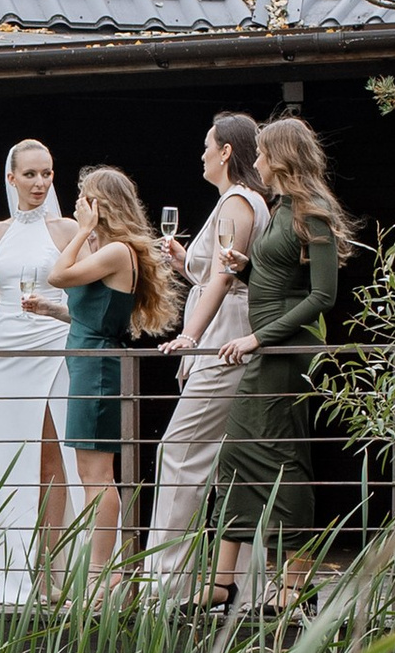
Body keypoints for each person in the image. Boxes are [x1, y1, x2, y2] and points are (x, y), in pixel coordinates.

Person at [213, 114, 354, 608]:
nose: (256, 161)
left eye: (262, 153)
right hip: (267, 345)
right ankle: (221, 584)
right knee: (236, 457)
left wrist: (256, 339)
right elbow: (277, 280)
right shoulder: (283, 207)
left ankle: (294, 586)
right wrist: (245, 267)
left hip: (286, 350)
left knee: (282, 462)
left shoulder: (311, 210)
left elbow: (321, 297)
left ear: (281, 157)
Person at [142, 114, 265, 595]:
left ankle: (165, 582)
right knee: (226, 458)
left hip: (225, 338)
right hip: (223, 331)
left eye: (207, 145)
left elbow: (224, 278)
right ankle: (242, 583)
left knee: (180, 449)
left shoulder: (237, 201)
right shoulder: (238, 202)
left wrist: (191, 334)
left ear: (226, 152)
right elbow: (212, 272)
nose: (202, 153)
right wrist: (183, 262)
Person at [0, 139, 78, 600]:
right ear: (11, 178)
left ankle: (54, 567)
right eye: (30, 174)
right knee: (9, 452)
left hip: (54, 340)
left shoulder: (68, 229)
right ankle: (8, 566)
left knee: (54, 453)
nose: (39, 182)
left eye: (46, 173)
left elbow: (84, 296)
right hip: (8, 347)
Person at [48, 165, 172, 584]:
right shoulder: (112, 252)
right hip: (88, 360)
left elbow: (58, 274)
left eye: (85, 198)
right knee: (89, 472)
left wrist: (81, 231)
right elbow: (93, 313)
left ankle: (104, 572)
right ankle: (103, 569)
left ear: (100, 204)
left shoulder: (118, 251)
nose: (79, 204)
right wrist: (51, 310)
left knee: (98, 475)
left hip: (97, 368)